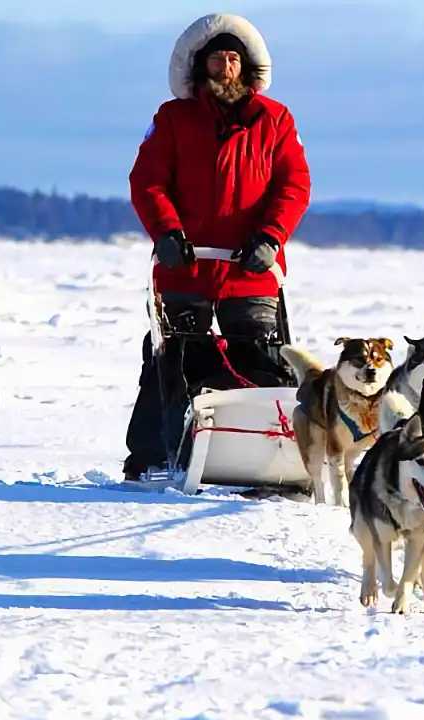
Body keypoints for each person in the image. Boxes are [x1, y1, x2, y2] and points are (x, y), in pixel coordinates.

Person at [123, 15, 311, 480]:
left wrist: (270, 236)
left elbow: (294, 185)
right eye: (217, 59)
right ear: (200, 67)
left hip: (250, 268)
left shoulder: (275, 120)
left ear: (246, 69)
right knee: (174, 357)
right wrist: (166, 233)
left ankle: (275, 458)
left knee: (262, 358)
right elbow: (147, 182)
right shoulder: (172, 120)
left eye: (233, 59)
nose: (226, 68)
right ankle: (154, 456)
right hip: (184, 265)